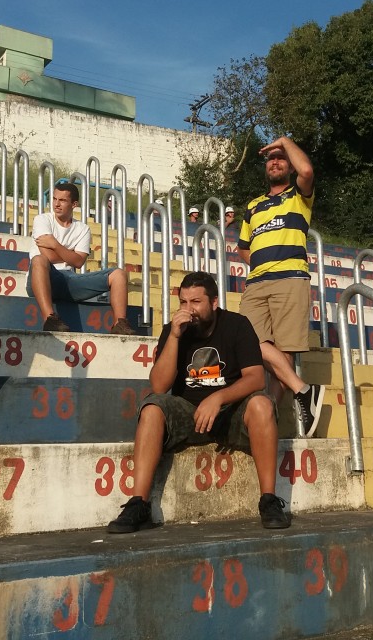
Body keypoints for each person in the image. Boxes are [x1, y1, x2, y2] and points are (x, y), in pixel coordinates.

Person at [106, 272, 290, 533]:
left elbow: (256, 378)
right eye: (183, 302)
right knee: (152, 407)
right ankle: (138, 504)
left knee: (262, 404)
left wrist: (218, 397)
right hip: (188, 412)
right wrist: (174, 338)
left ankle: (269, 500)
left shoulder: (237, 325)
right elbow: (159, 386)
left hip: (230, 412)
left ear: (214, 303)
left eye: (196, 302)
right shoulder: (174, 330)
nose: (188, 309)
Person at [237, 136, 324, 438]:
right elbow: (243, 248)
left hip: (290, 279)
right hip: (257, 283)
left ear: (288, 164)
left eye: (281, 158)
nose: (275, 162)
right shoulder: (253, 206)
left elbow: (308, 172)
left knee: (284, 355)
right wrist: (262, 263)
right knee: (247, 342)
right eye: (271, 158)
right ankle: (304, 391)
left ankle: (269, 414)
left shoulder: (299, 197)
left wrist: (286, 142)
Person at [28, 180, 133, 334]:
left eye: (62, 200)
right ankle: (50, 319)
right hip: (42, 278)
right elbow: (48, 256)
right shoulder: (42, 219)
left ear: (74, 204)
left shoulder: (83, 229)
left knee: (119, 274)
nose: (56, 204)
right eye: (55, 199)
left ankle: (120, 324)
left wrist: (55, 245)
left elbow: (79, 261)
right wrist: (70, 253)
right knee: (38, 259)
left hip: (69, 280)